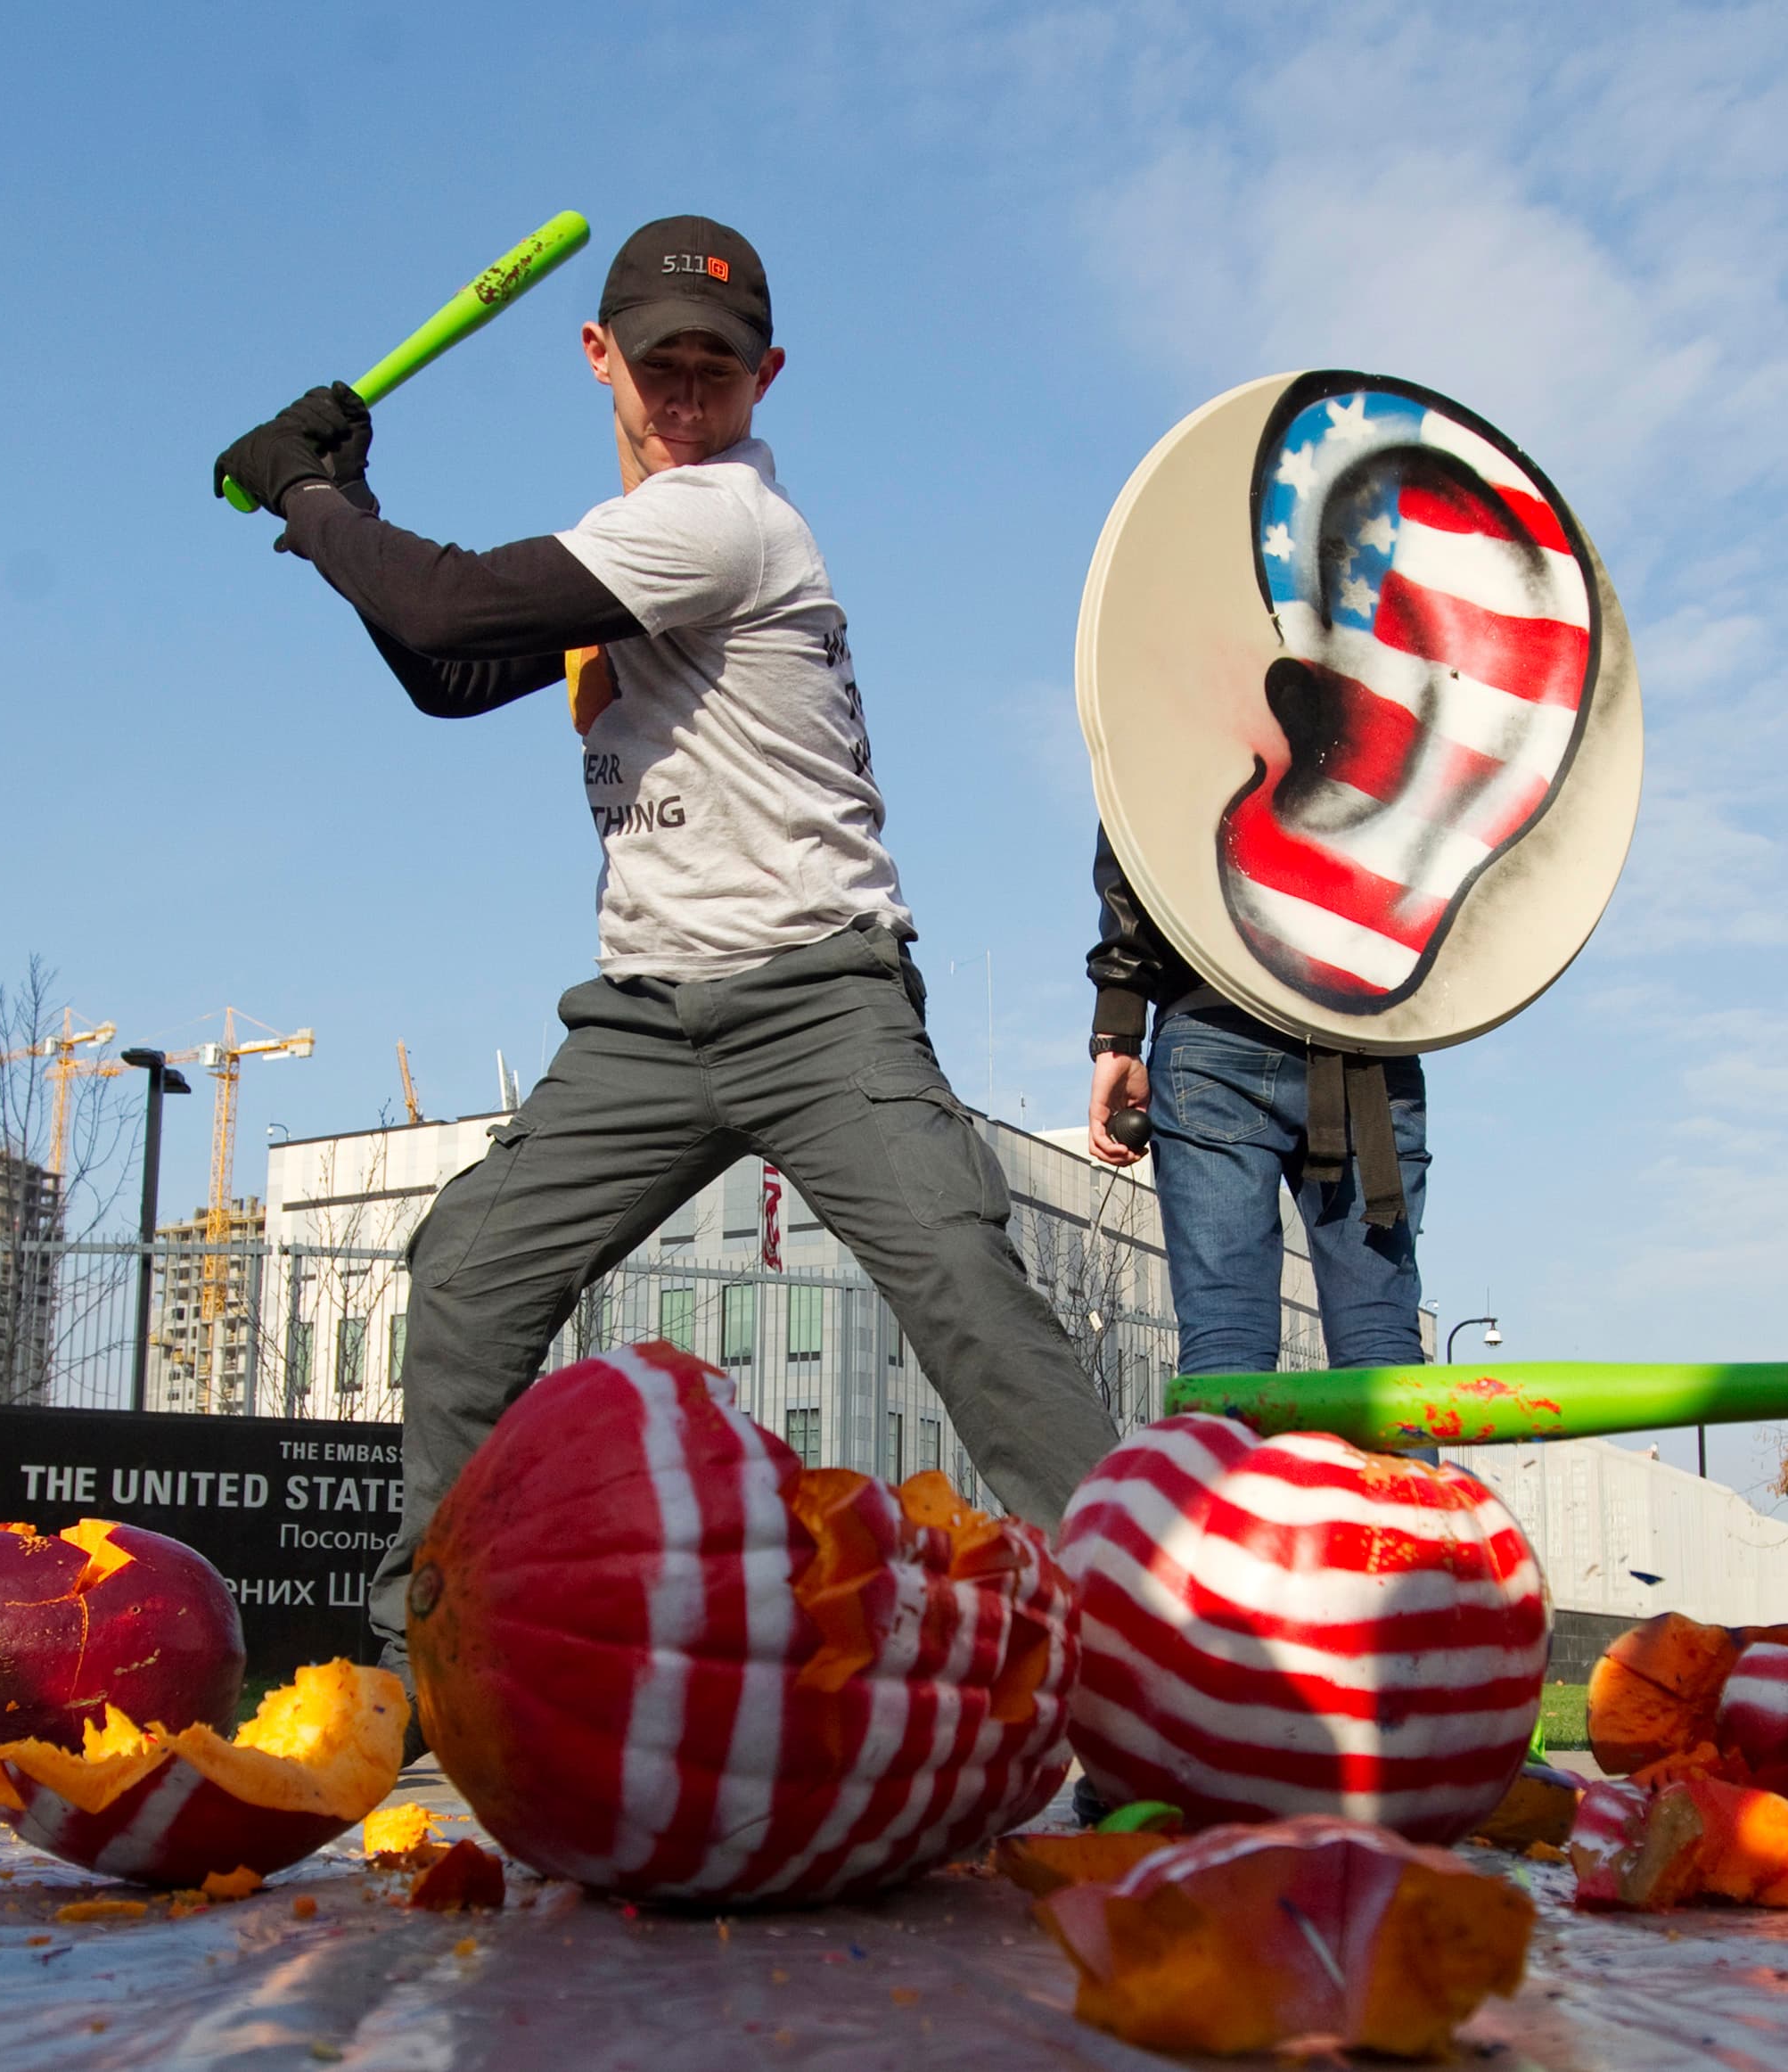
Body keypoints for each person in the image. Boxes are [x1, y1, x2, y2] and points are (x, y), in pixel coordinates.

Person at [210, 216, 1126, 1700]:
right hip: (644, 1018)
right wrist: (346, 501)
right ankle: (431, 1665)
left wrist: (310, 493)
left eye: (716, 367)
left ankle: (1137, 1657)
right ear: (600, 359)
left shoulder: (722, 523)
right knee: (467, 1271)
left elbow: (442, 603)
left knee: (960, 1271)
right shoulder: (625, 545)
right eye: (658, 363)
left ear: (766, 378)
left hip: (818, 994)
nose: (684, 392)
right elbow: (453, 671)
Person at [1083, 834, 1430, 1378]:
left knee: (1226, 1338)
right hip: (1366, 1028)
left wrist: (1119, 1026)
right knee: (1381, 1340)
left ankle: (1228, 1463)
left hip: (1215, 1017)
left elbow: (1137, 815)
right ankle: (1396, 1469)